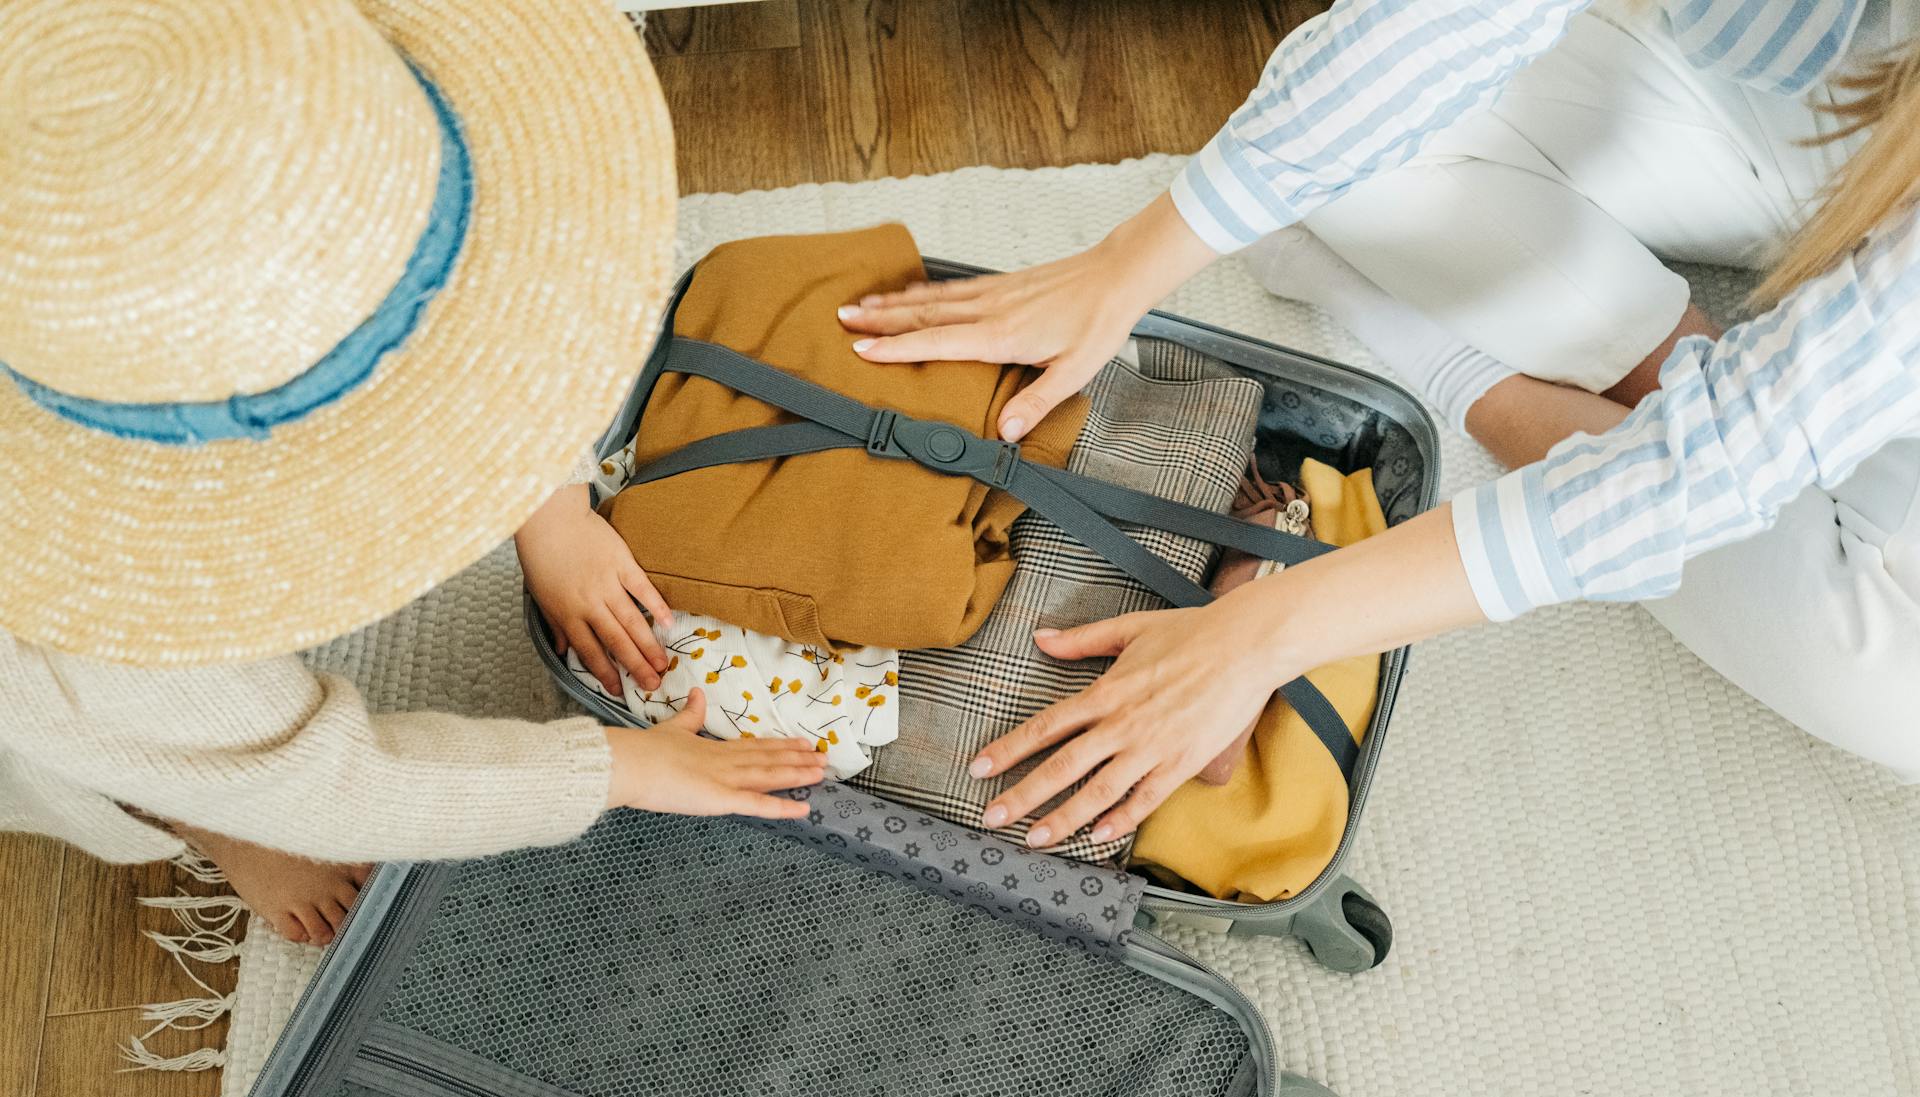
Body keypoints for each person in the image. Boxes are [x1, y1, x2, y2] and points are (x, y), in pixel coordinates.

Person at [839, 0, 1920, 850]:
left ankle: (1441, 350)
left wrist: (1269, 628)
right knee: (1353, 154)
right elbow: (1446, 20)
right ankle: (1697, 384)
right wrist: (1129, 260)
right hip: (1821, 100)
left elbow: (1715, 459)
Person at [0, 0, 823, 946]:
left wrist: (547, 502)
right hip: (62, 691)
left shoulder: (170, 76)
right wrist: (624, 769)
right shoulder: (103, 624)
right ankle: (198, 816)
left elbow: (500, 322)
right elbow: (327, 783)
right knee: (175, 761)